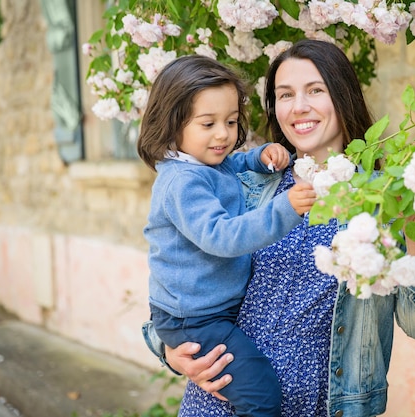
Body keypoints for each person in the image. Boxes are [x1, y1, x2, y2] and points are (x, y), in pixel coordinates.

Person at [145, 40, 415, 417]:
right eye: (285, 95)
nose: (299, 106)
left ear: (343, 96)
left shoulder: (382, 198)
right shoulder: (247, 185)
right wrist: (172, 351)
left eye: (315, 90)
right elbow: (180, 280)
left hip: (323, 405)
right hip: (222, 400)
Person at [137, 54, 316, 417]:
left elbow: (232, 163)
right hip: (195, 319)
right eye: (208, 124)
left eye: (231, 121)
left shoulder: (203, 164)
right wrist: (286, 208)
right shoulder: (182, 181)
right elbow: (221, 236)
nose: (224, 134)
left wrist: (258, 157)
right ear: (172, 126)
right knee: (261, 394)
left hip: (206, 312)